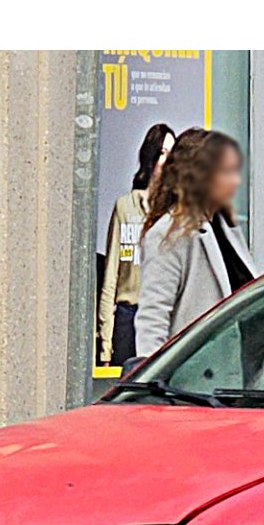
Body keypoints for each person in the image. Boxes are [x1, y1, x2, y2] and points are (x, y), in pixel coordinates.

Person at [132, 128, 256, 362]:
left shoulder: (226, 227)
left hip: (235, 375)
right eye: (226, 172)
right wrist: (152, 385)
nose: (236, 181)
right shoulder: (169, 235)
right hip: (195, 379)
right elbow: (153, 318)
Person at [96, 122, 175, 367]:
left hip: (161, 317)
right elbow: (112, 277)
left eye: (172, 154)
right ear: (150, 156)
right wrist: (105, 346)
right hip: (127, 318)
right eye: (162, 153)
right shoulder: (125, 207)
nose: (167, 161)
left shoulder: (174, 212)